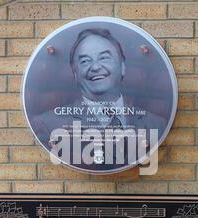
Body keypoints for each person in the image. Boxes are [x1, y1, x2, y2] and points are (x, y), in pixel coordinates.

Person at [31, 28, 166, 171]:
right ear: (75, 73)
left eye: (104, 58)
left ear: (122, 67)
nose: (95, 67)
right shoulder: (47, 125)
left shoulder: (157, 124)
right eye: (85, 61)